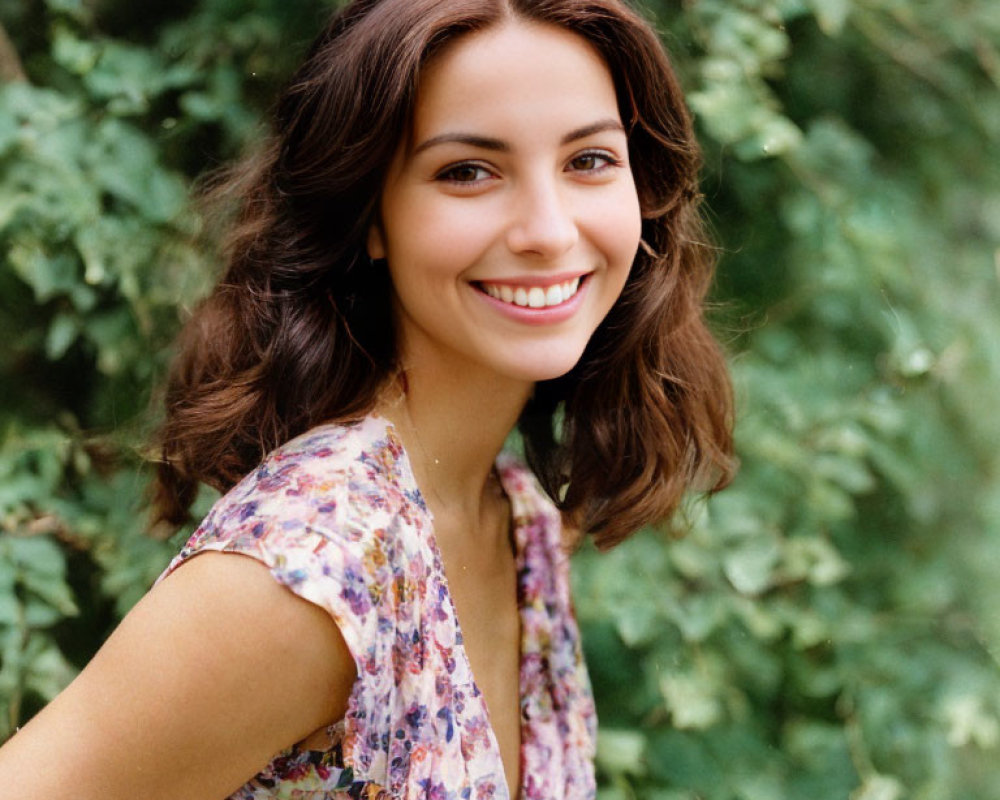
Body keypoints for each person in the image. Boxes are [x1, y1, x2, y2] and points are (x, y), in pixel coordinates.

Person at [0, 0, 734, 797]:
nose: (549, 231)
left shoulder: (518, 518)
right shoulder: (313, 566)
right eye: (468, 171)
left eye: (589, 160)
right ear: (370, 216)